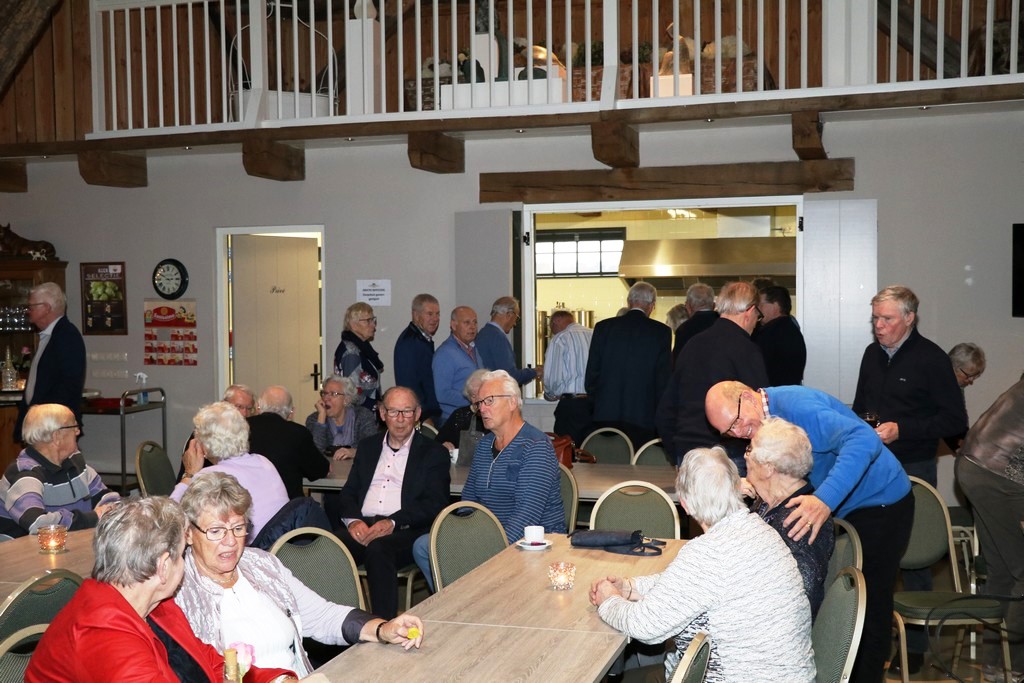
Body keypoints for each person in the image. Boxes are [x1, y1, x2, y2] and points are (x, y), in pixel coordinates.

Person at [706, 380, 913, 683]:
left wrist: (825, 500)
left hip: (882, 501)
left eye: (736, 422)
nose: (737, 433)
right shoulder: (764, 418)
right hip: (850, 504)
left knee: (867, 607)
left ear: (748, 397)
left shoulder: (797, 406)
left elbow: (865, 440)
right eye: (728, 432)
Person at [590, 446, 814, 683]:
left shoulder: (710, 552)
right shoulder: (760, 531)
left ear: (685, 504)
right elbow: (690, 585)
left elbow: (645, 626)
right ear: (736, 488)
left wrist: (608, 599)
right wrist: (631, 587)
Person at [176, 472, 424, 678]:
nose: (231, 541)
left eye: (238, 528)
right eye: (216, 531)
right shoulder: (177, 592)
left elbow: (322, 615)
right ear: (188, 534)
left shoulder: (262, 565)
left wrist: (382, 628)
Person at [26, 496, 299, 683]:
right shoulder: (101, 634)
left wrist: (273, 679)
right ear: (164, 566)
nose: (185, 562)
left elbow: (209, 663)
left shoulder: (157, 606)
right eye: (182, 554)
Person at [851, 285, 966, 674]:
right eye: (875, 319)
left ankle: (915, 651)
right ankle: (868, 646)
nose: (878, 326)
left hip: (912, 466)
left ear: (909, 318)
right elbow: (860, 407)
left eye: (886, 319)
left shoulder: (931, 359)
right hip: (872, 467)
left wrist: (903, 429)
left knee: (914, 559)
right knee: (871, 559)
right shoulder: (871, 355)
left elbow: (954, 420)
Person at [413, 370, 565, 589]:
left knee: (455, 556)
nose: (482, 409)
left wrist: (485, 547)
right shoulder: (485, 445)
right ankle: (461, 598)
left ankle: (470, 596)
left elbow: (526, 516)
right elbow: (469, 501)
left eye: (489, 401)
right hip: (486, 535)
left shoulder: (535, 446)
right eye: (479, 403)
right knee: (424, 546)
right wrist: (465, 534)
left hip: (531, 542)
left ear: (512, 402)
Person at [334, 387, 451, 619]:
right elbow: (348, 493)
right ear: (382, 413)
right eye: (393, 411)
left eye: (406, 411)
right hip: (363, 525)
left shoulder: (433, 452)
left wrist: (392, 522)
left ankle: (383, 624)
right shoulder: (368, 447)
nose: (400, 419)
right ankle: (337, 624)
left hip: (405, 529)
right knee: (327, 547)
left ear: (417, 414)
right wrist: (353, 521)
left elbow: (435, 502)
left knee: (379, 549)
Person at [657, 281, 768, 469]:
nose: (757, 324)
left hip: (689, 452)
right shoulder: (746, 350)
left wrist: (677, 450)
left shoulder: (692, 344)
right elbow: (761, 408)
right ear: (750, 312)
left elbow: (666, 408)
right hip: (730, 455)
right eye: (758, 316)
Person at [956, 376, 1024, 677]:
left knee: (1003, 570)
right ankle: (1017, 666)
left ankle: (994, 662)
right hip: (999, 474)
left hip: (975, 466)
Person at [741, 416, 834, 617]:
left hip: (776, 625)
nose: (745, 457)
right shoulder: (766, 502)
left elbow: (800, 594)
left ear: (768, 468)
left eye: (750, 449)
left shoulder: (802, 517)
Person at [172, 402, 289, 540]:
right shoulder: (264, 462)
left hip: (250, 549)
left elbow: (170, 520)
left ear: (205, 443)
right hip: (282, 546)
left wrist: (189, 473)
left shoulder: (211, 476)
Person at [0, 403, 119, 536]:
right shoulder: (25, 474)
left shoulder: (75, 462)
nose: (78, 432)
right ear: (57, 436)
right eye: (74, 427)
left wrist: (107, 510)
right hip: (19, 548)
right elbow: (38, 524)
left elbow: (109, 499)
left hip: (65, 545)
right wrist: (93, 517)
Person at [584, 282, 671, 448]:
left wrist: (597, 403)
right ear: (652, 305)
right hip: (643, 416)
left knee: (607, 461)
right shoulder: (661, 332)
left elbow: (591, 374)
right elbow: (663, 380)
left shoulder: (603, 328)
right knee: (638, 462)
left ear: (629, 301)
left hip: (605, 414)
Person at [15, 282, 86, 442]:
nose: (28, 310)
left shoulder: (66, 335)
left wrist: (46, 421)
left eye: (31, 306)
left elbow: (68, 384)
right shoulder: (49, 335)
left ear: (46, 308)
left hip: (53, 427)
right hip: (41, 425)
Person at [248, 385, 329, 499]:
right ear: (291, 413)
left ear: (258, 407)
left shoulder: (242, 428)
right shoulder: (298, 433)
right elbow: (319, 470)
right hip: (287, 505)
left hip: (246, 504)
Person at [542, 310, 593, 444]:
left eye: (551, 326)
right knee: (590, 448)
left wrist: (550, 394)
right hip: (595, 405)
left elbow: (553, 376)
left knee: (567, 450)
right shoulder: (594, 335)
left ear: (556, 321)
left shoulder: (560, 338)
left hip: (572, 406)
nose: (552, 331)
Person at [394, 293, 442, 425]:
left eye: (437, 314)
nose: (435, 319)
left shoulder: (422, 339)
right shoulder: (409, 343)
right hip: (423, 416)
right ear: (416, 315)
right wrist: (424, 417)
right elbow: (409, 384)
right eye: (430, 314)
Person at [305, 375, 379, 460]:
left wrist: (355, 452)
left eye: (333, 394)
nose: (326, 398)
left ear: (346, 400)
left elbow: (372, 447)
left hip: (357, 466)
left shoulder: (363, 415)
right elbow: (314, 452)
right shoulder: (314, 419)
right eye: (324, 393)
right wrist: (321, 417)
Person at [432, 305, 485, 422]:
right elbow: (442, 394)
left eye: (475, 322)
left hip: (474, 418)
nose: (472, 327)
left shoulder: (474, 349)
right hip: (453, 420)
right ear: (454, 325)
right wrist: (474, 400)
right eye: (467, 322)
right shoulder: (445, 354)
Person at [474, 296, 541, 386]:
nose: (515, 323)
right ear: (509, 314)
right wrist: (535, 372)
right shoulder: (498, 337)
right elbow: (509, 377)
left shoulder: (483, 333)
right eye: (516, 318)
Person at [752, 284, 807, 386]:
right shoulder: (790, 328)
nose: (757, 309)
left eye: (760, 304)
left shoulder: (771, 333)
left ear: (775, 305)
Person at [334, 301, 384, 410]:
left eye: (373, 320)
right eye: (368, 321)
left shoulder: (362, 346)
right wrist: (376, 405)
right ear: (353, 324)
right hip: (358, 414)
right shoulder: (351, 352)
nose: (373, 325)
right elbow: (351, 393)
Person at [434, 368, 489, 451]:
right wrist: (444, 445)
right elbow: (437, 442)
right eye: (473, 396)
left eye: (480, 394)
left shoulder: (497, 415)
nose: (477, 400)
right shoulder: (460, 415)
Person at [945, 342, 986, 450]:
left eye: (975, 376)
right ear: (953, 367)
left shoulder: (957, 386)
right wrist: (958, 442)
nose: (971, 381)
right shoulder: (938, 387)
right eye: (968, 375)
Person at [672, 282, 718, 366]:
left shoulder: (683, 330)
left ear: (688, 306)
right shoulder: (725, 324)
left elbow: (678, 364)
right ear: (714, 305)